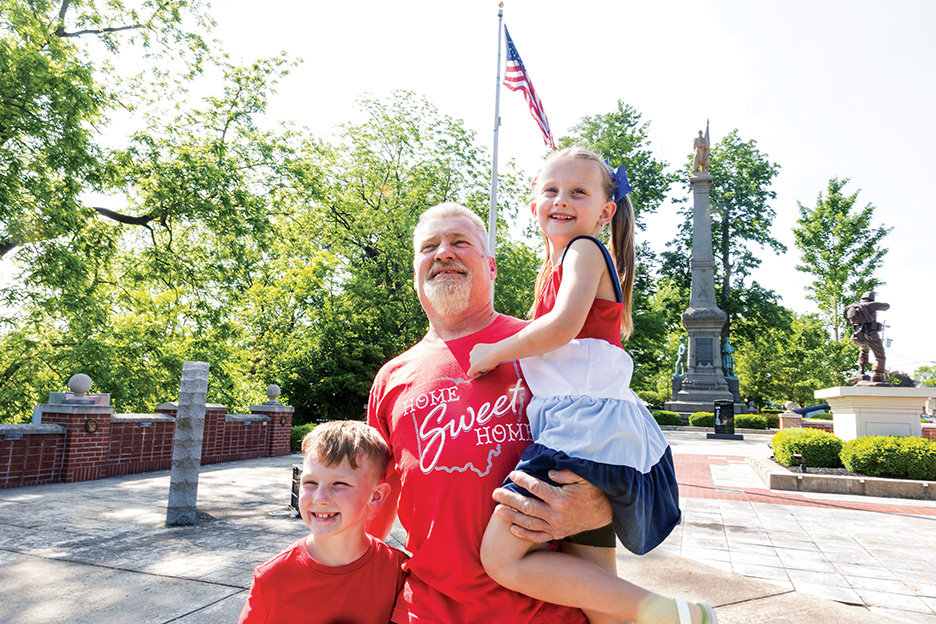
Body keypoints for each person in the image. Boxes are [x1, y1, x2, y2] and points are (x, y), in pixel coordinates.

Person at [468, 147, 716, 624]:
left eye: (578, 191)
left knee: (501, 558)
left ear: (605, 212)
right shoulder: (562, 263)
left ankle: (676, 614)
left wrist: (494, 351)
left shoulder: (583, 251)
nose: (562, 200)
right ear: (534, 204)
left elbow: (562, 327)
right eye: (551, 190)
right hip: (593, 431)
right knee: (598, 597)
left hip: (579, 432)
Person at [367, 202, 613, 623]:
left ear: (492, 266)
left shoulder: (548, 347)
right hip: (425, 612)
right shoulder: (391, 377)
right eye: (430, 246)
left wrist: (601, 506)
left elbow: (626, 451)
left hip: (546, 614)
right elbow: (374, 503)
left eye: (460, 242)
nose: (444, 252)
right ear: (415, 272)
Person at [238, 421, 408, 624]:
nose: (320, 498)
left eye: (340, 484)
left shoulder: (398, 573)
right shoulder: (272, 579)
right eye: (310, 482)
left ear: (376, 496)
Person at [844, 291, 890, 383]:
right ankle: (876, 374)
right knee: (880, 355)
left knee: (864, 350)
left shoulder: (852, 307)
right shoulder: (871, 305)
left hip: (858, 335)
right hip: (871, 335)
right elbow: (887, 306)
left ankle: (861, 371)